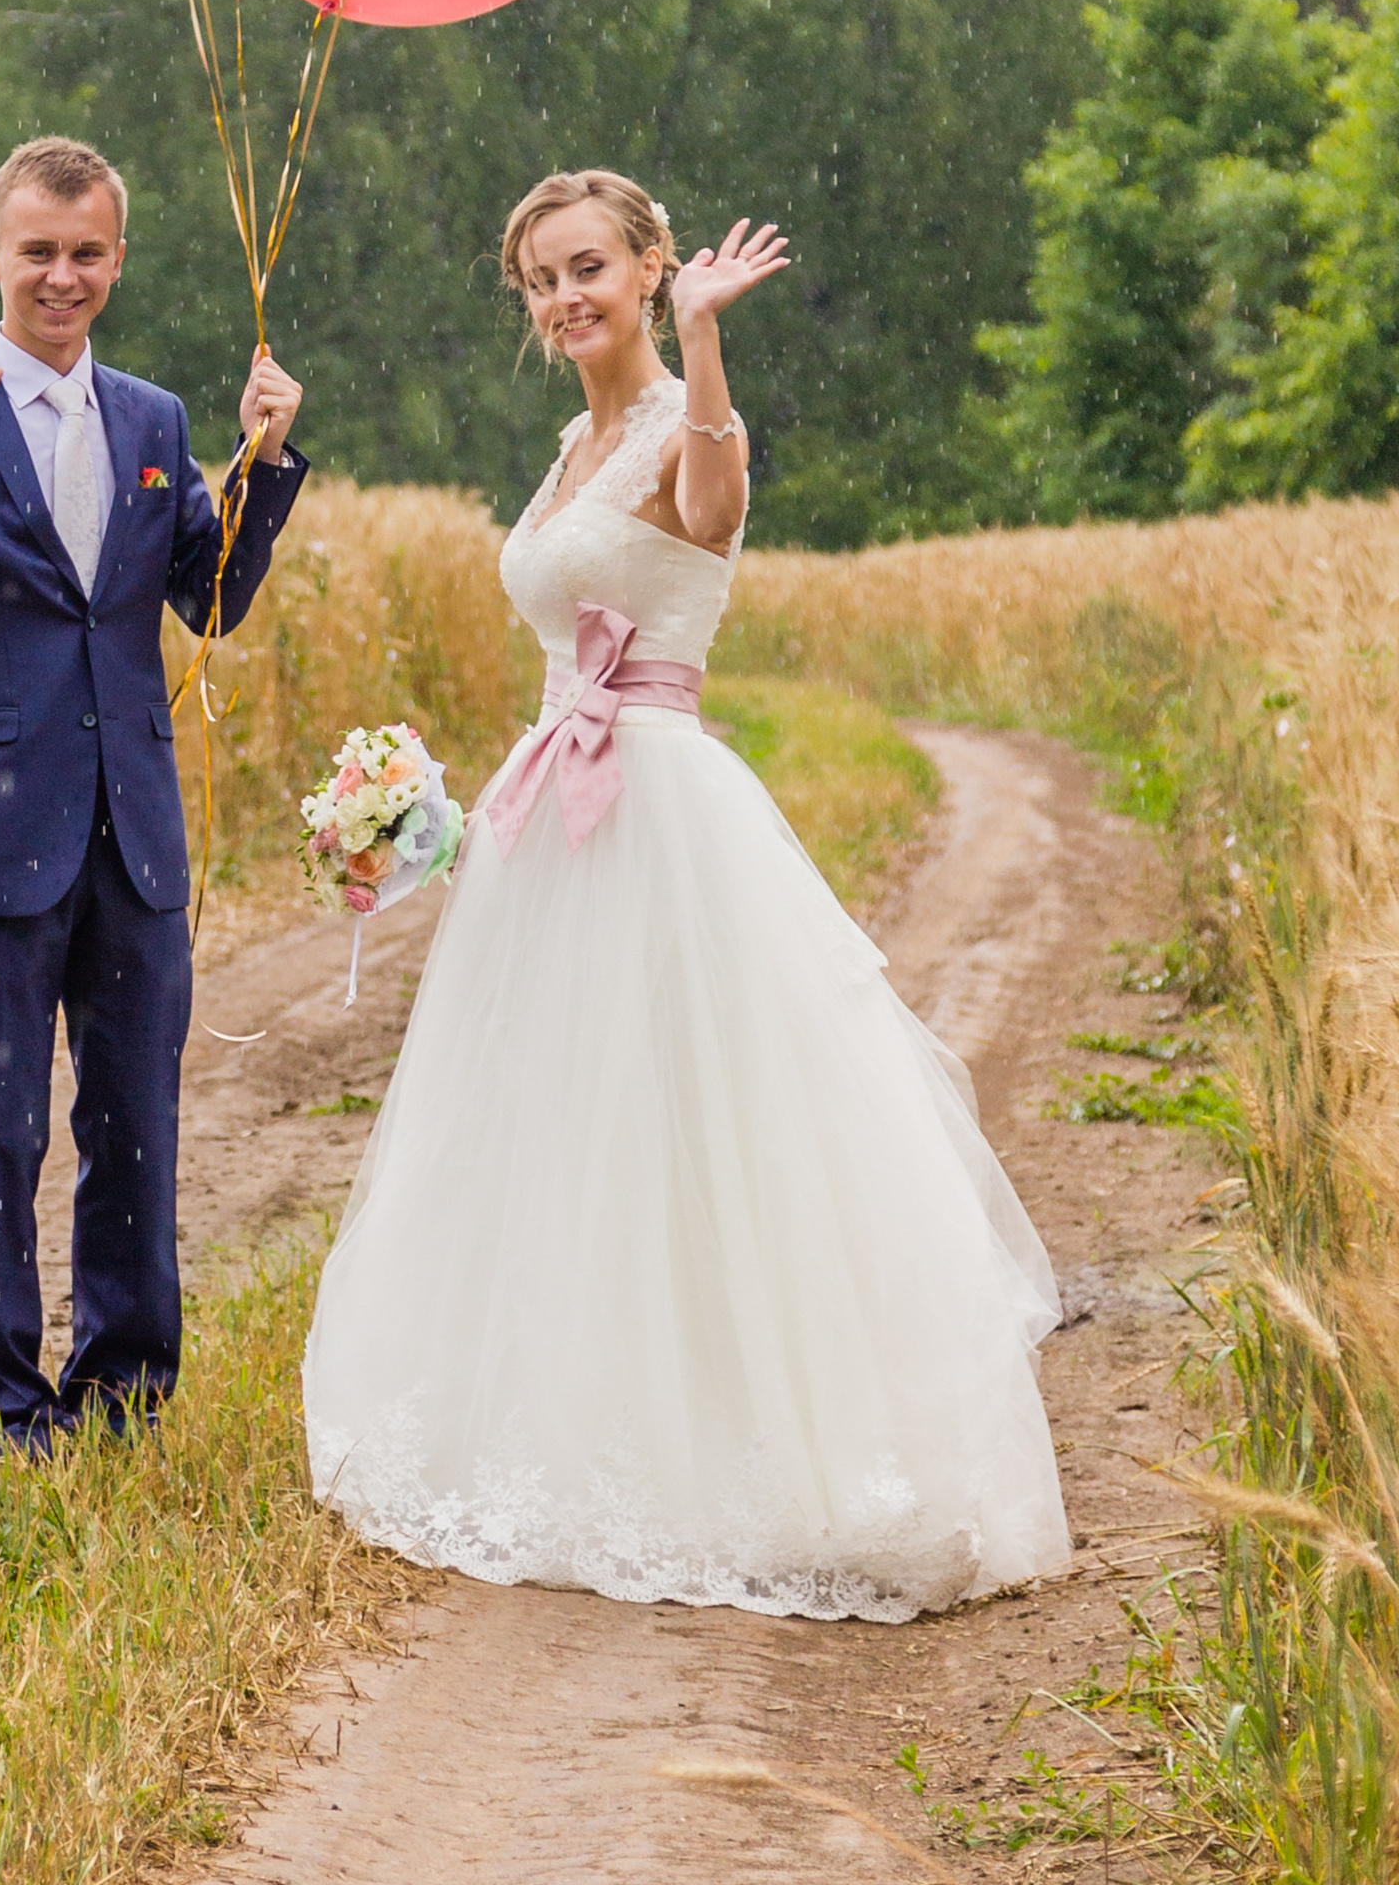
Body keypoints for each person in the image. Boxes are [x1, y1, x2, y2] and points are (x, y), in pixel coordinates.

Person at [302, 170, 1069, 1620]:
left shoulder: (679, 423)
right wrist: (430, 811)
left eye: (589, 266)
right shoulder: (570, 445)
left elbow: (712, 513)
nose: (565, 297)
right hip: (551, 802)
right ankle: (567, 1411)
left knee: (695, 1106)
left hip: (656, 797)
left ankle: (742, 1434)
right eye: (542, 279)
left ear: (651, 267)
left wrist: (706, 343)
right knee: (556, 1114)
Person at [0, 133, 308, 1465]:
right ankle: (5, 1419)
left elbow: (205, 600)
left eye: (87, 253)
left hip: (133, 835)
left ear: (118, 260)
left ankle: (126, 1399)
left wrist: (261, 467)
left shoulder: (151, 420)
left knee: (134, 1124)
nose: (62, 277)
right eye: (37, 252)